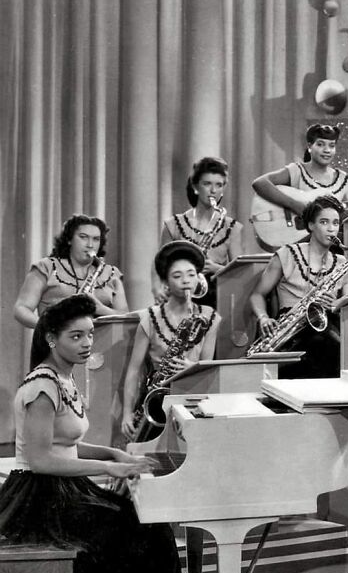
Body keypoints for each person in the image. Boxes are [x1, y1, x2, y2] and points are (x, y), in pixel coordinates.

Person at [0, 295, 190, 573]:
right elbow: (39, 459)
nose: (87, 343)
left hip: (64, 487)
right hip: (40, 497)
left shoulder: (65, 377)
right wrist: (106, 467)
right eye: (76, 336)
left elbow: (66, 445)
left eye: (89, 335)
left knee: (147, 528)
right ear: (52, 339)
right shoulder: (42, 386)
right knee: (135, 535)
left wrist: (113, 451)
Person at [248, 195, 348, 378]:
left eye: (336, 223)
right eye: (324, 222)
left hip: (325, 323)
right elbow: (257, 295)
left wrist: (336, 304)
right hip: (291, 325)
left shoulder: (342, 262)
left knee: (332, 345)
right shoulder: (287, 254)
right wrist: (264, 318)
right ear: (311, 225)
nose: (331, 229)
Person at [122, 242, 220, 441]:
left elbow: (208, 367)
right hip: (156, 398)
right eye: (177, 276)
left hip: (194, 398)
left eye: (191, 274)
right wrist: (126, 413)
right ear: (165, 281)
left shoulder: (210, 317)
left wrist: (191, 368)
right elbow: (134, 370)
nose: (186, 281)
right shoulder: (150, 318)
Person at [14, 214, 128, 329]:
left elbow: (126, 317)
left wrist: (100, 309)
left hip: (101, 344)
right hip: (53, 342)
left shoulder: (111, 273)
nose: (90, 245)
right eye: (83, 237)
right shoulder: (46, 267)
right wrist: (49, 328)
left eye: (96, 239)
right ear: (69, 240)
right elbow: (21, 309)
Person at [157, 156, 244, 305]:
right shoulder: (173, 225)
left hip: (216, 298)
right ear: (196, 187)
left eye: (219, 185)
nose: (213, 190)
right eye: (207, 184)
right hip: (179, 297)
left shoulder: (232, 228)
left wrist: (217, 268)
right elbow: (161, 268)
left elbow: (240, 274)